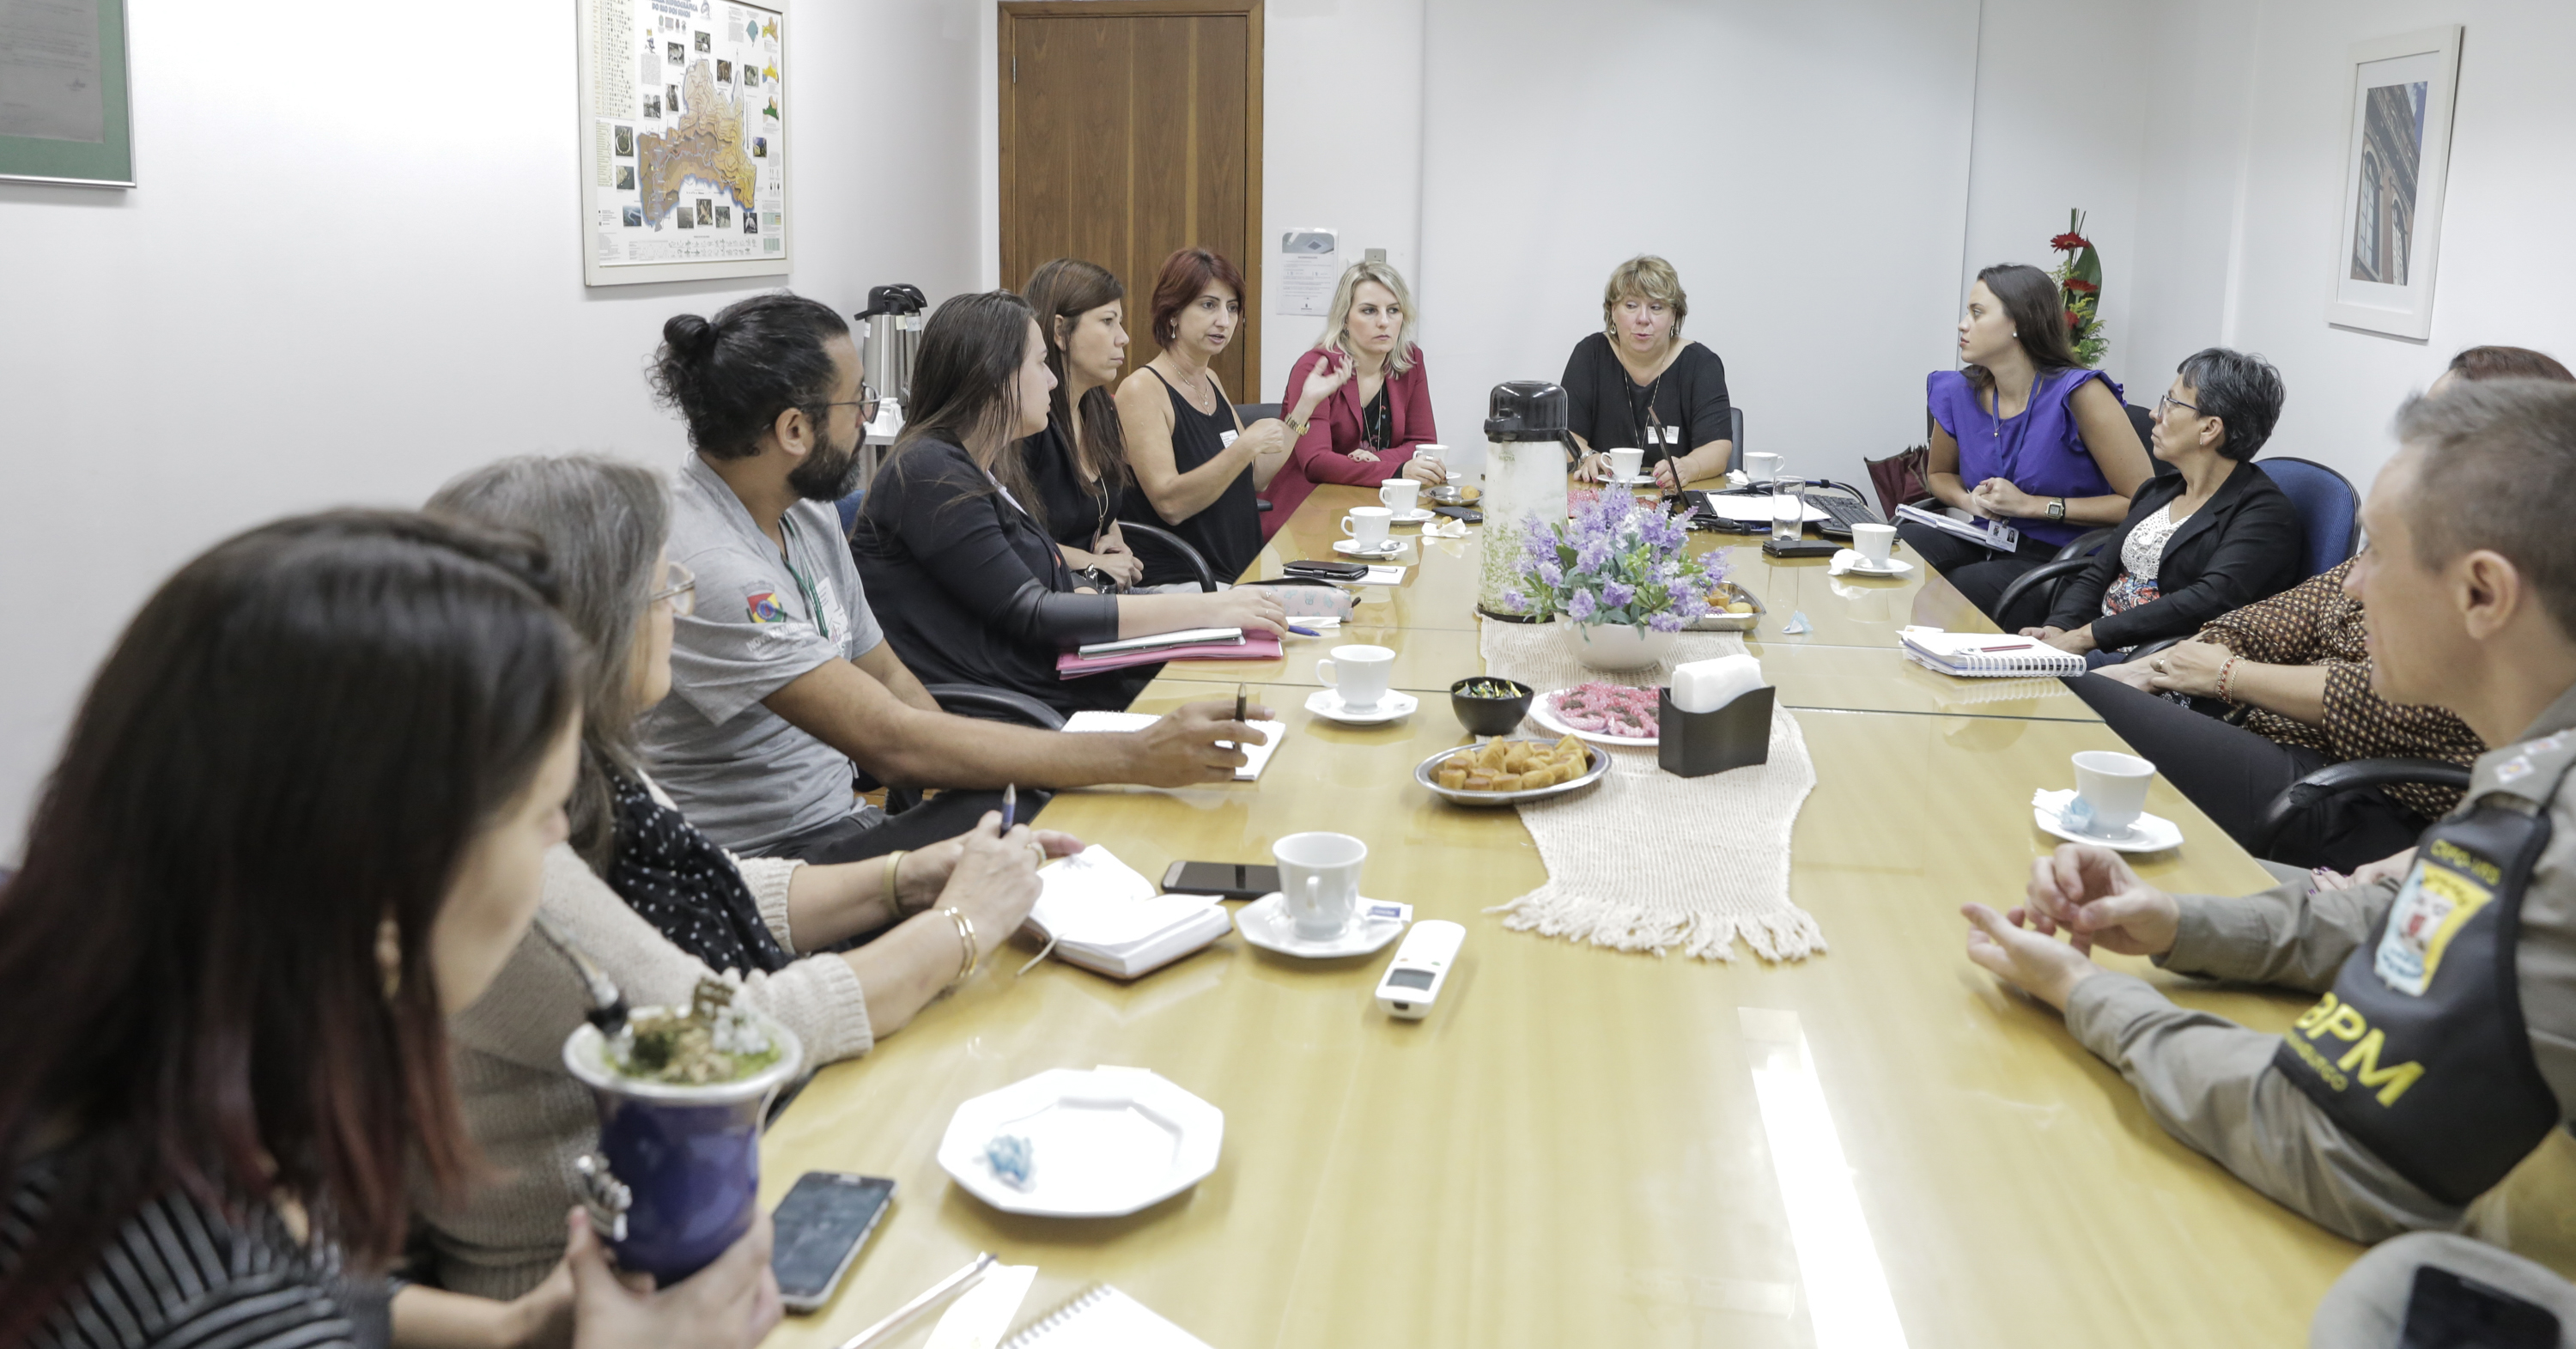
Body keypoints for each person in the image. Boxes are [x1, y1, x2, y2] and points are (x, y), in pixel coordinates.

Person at [0, 513, 776, 1349]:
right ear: (379, 897)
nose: (558, 840)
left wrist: (511, 1327)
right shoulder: (210, 1306)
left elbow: (302, 1267)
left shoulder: (134, 1040)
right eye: (544, 810)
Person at [418, 454, 1072, 1300]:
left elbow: (713, 885)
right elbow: (720, 1040)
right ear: (587, 628)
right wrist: (959, 929)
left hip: (703, 1190)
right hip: (599, 1284)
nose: (677, 613)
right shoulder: (508, 853)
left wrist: (906, 878)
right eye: (663, 595)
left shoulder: (574, 755)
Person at [1958, 378, 2576, 1244]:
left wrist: (2085, 992)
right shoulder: (2539, 764)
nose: (2352, 587)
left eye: (2378, 555)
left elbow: (2331, 1140)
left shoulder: (2550, 836)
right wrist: (2175, 920)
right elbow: (2410, 912)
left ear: (2483, 593)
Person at [637, 291, 1271, 863]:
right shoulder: (712, 568)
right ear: (794, 429)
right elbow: (888, 741)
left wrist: (968, 771)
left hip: (844, 822)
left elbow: (887, 675)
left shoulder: (805, 516)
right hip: (771, 863)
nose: (869, 415)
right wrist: (1134, 755)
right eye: (858, 400)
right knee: (1064, 828)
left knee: (1046, 824)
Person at [2070, 347, 2573, 872]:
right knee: (2086, 695)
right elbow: (2284, 614)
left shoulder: (2491, 583)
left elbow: (2394, 699)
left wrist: (2224, 675)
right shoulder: (2418, 533)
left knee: (2080, 698)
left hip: (2359, 789)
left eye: (2440, 425)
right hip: (2270, 734)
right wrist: (2160, 666)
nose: (2360, 583)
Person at [854, 292, 1287, 714]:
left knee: (1238, 679)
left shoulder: (974, 464)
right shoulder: (931, 471)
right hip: (1017, 705)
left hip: (1053, 675)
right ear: (993, 375)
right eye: (1040, 364)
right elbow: (1033, 610)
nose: (1053, 380)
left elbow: (1034, 579)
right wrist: (1204, 610)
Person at [1904, 263, 2154, 621]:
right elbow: (1940, 473)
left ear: (2019, 322)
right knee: (1905, 548)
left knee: (1957, 591)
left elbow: (2141, 503)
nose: (1963, 324)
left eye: (1977, 313)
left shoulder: (2081, 395)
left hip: (2059, 560)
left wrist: (2033, 506)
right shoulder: (1959, 391)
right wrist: (1967, 501)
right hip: (1985, 537)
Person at [2020, 348, 2305, 662]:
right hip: (2096, 647)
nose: (2155, 413)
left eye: (2171, 403)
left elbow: (2205, 601)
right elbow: (2098, 573)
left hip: (2156, 664)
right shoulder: (2160, 489)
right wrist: (2058, 629)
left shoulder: (2265, 516)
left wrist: (2086, 637)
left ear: (2210, 428)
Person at [1115, 247, 1338, 586]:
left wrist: (1304, 406)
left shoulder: (1210, 381)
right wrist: (1244, 446)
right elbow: (1170, 502)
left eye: (1232, 308)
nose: (1224, 320)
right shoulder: (1142, 390)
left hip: (1236, 574)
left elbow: (1255, 478)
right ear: (1172, 312)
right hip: (1183, 581)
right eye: (1209, 305)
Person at [1261, 259, 1447, 532]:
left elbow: (1422, 442)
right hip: (1309, 514)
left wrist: (1378, 460)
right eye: (1369, 311)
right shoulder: (1316, 367)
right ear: (1345, 319)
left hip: (1378, 504)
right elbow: (1316, 462)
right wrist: (1397, 470)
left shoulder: (1410, 361)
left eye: (1393, 310)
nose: (1384, 322)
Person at [1562, 255, 1735, 490]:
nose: (1643, 319)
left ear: (1674, 315)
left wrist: (1688, 467)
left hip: (1675, 499)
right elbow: (1566, 435)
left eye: (1656, 307)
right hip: (1600, 497)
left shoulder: (1701, 364)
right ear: (1613, 311)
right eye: (1631, 306)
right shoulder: (1589, 355)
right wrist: (1587, 456)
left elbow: (1718, 446)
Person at [1021, 258, 1143, 588]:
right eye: (1107, 321)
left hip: (1099, 591)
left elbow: (1104, 509)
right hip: (1052, 598)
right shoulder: (1027, 424)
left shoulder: (1101, 407)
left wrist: (1114, 540)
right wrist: (1094, 562)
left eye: (1120, 322)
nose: (1123, 338)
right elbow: (1016, 538)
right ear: (1060, 331)